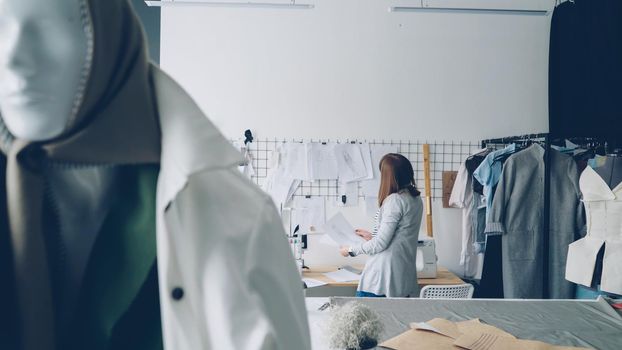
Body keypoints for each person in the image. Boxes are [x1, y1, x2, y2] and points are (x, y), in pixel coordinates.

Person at [0, 0, 310, 349]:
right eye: (1, 29)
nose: (12, 59)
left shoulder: (239, 219)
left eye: (44, 27)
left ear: (106, 40)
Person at [339, 153, 423, 298]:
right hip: (402, 274)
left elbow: (380, 245)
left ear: (388, 176)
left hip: (383, 277)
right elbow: (400, 235)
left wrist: (351, 250)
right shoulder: (415, 198)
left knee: (367, 318)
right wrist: (372, 236)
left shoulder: (395, 200)